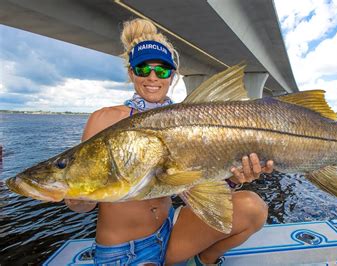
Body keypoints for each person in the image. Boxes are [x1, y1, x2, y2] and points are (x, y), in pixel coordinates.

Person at [65, 18, 273, 265]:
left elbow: (196, 182)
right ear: (131, 73)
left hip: (171, 231)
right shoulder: (104, 119)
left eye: (162, 70)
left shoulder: (189, 122)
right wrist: (78, 198)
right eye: (143, 69)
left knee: (253, 207)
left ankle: (206, 257)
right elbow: (80, 207)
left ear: (172, 75)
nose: (153, 77)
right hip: (125, 249)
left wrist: (234, 178)